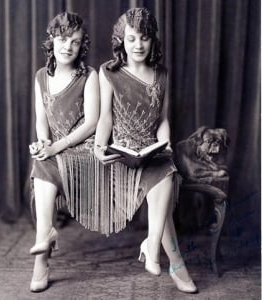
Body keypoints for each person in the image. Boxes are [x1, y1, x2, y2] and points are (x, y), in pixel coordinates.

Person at [94, 8, 198, 294]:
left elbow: (163, 120)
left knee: (165, 170)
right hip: (122, 154)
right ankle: (173, 262)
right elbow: (105, 118)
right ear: (121, 41)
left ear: (153, 40)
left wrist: (164, 145)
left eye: (144, 37)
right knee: (160, 190)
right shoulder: (109, 72)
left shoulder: (161, 74)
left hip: (152, 151)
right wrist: (98, 147)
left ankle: (153, 249)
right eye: (131, 38)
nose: (138, 44)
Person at [29, 12, 99, 292]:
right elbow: (41, 120)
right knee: (42, 161)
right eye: (62, 39)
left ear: (82, 46)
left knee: (47, 162)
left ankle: (43, 251)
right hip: (57, 151)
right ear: (52, 41)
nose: (67, 46)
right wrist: (43, 143)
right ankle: (43, 244)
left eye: (75, 41)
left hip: (84, 148)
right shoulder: (41, 77)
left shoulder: (89, 76)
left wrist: (56, 146)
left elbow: (92, 122)